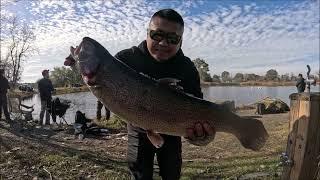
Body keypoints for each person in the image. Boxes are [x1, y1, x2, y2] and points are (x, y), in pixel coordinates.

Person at [114, 9, 216, 180]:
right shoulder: (125, 59)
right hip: (138, 129)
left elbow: (199, 110)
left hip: (172, 131)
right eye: (157, 35)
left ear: (180, 41)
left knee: (172, 174)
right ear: (148, 33)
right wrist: (80, 63)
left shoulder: (187, 68)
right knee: (139, 175)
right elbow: (100, 79)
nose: (163, 43)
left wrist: (201, 137)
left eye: (172, 38)